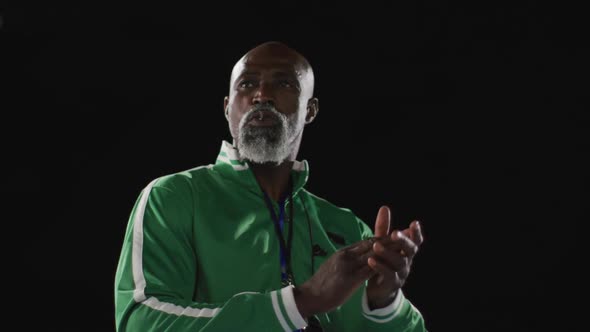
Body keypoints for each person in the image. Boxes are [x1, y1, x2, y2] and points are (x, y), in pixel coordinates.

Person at [114, 41, 427, 331]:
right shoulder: (172, 197)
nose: (262, 94)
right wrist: (302, 301)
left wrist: (384, 303)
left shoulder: (347, 229)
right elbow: (141, 322)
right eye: (247, 84)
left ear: (311, 110)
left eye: (284, 83)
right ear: (227, 107)